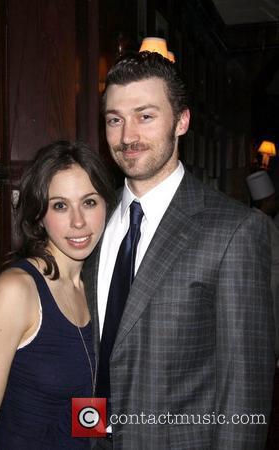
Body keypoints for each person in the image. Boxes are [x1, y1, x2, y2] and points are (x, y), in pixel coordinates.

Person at [83, 52, 275, 449]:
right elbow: (97, 357)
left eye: (145, 116)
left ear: (181, 121)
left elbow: (246, 389)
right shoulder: (91, 224)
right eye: (114, 119)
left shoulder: (235, 230)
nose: (127, 136)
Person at [0, 140, 115, 450]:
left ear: (107, 205)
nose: (78, 221)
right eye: (60, 205)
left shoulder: (96, 287)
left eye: (89, 202)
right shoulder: (17, 291)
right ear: (39, 214)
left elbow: (83, 405)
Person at [246, 170, 279, 360]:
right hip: (268, 283)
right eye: (273, 199)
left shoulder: (268, 220)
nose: (276, 202)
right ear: (265, 201)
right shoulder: (256, 221)